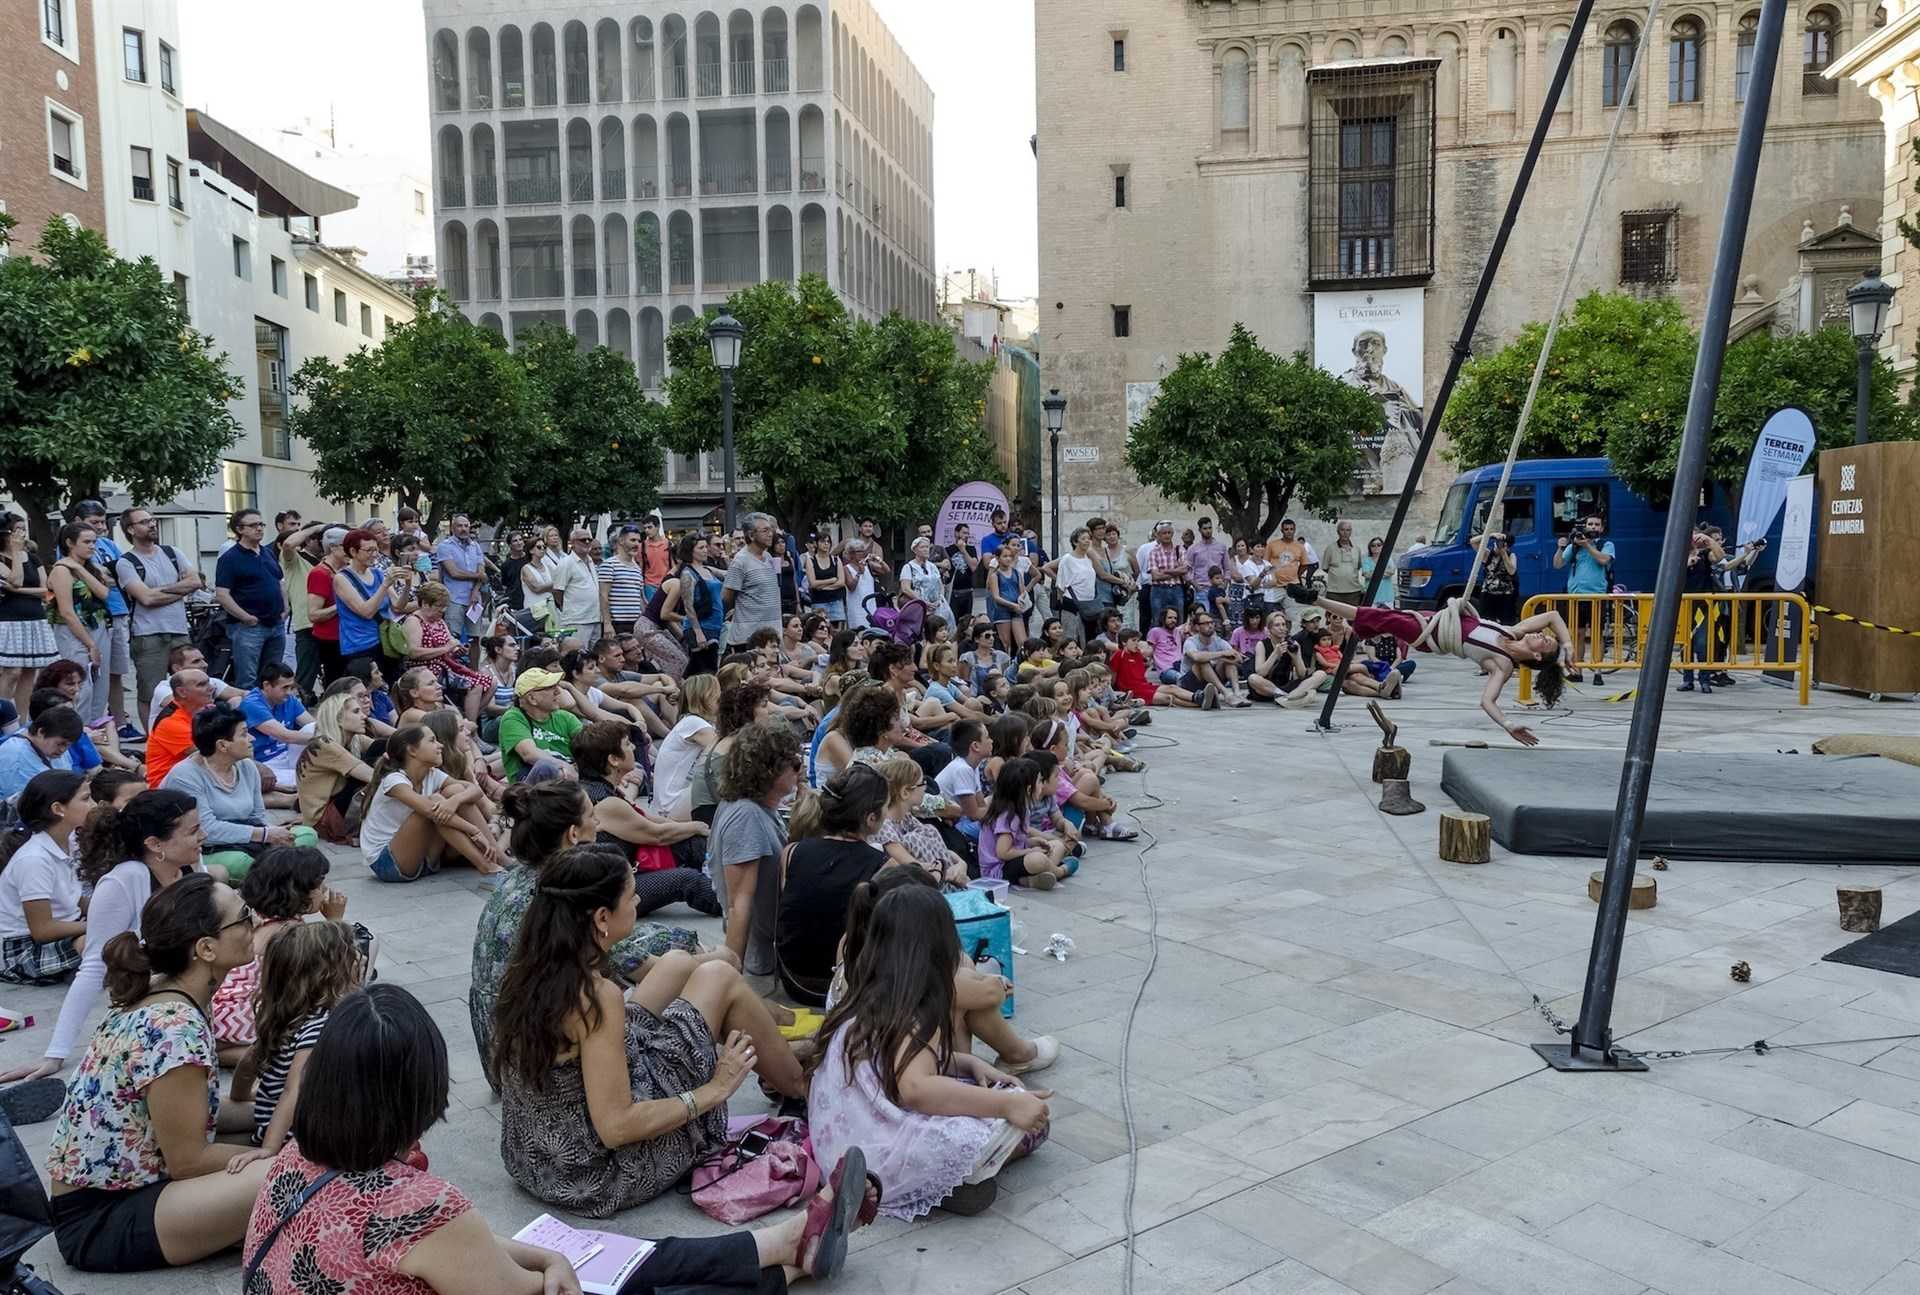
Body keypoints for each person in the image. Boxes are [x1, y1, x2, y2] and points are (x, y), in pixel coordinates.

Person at [256, 981, 865, 1294]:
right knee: (632, 1283)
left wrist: (548, 1255)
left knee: (606, 1257)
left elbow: (442, 1250)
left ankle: (785, 1247)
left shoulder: (292, 1165)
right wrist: (550, 1268)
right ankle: (785, 1262)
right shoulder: (417, 1207)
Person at [492, 845, 807, 1215]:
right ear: (602, 917)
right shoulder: (594, 996)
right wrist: (715, 1089)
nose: (640, 897)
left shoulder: (532, 966)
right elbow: (616, 1127)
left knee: (676, 965)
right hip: (595, 1175)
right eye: (631, 893)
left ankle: (785, 1056)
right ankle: (801, 1086)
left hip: (533, 1155)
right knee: (719, 975)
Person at [44, 873, 272, 1273]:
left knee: (282, 1129)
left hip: (130, 1187)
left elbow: (200, 1116)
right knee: (295, 1169)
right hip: (103, 1218)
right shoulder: (174, 1026)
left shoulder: (167, 993)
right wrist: (281, 1152)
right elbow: (188, 1160)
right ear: (205, 948)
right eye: (244, 917)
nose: (253, 923)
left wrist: (287, 1110)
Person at [808, 884, 1050, 1219]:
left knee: (995, 1099)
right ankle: (952, 1181)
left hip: (840, 1147)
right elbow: (916, 1089)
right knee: (1031, 1122)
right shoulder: (919, 1008)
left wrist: (964, 1062)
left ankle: (950, 1177)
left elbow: (889, 1066)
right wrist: (1007, 1105)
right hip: (885, 1154)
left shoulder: (870, 994)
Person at [1288, 585, 1570, 744]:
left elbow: (1487, 701)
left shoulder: (1503, 665)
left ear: (1536, 657)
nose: (1541, 635)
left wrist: (1508, 725)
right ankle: (1337, 613)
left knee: (1381, 618)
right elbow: (1554, 616)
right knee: (1383, 617)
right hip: (1433, 620)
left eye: (1545, 643)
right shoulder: (1514, 631)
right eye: (1545, 637)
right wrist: (1566, 646)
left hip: (1430, 635)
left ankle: (1318, 600)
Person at [208, 844, 355, 1063]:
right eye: (318, 883)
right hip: (244, 1012)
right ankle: (259, 1054)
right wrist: (336, 921)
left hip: (220, 1008)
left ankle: (221, 1051)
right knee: (357, 963)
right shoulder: (288, 931)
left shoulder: (255, 913)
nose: (325, 889)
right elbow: (333, 964)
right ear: (296, 890)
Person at [573, 720, 720, 916]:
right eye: (627, 744)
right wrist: (695, 826)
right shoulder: (605, 802)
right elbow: (657, 834)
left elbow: (650, 819)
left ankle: (739, 878)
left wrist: (697, 830)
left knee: (693, 842)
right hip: (609, 892)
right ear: (613, 760)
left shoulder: (599, 788)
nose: (633, 747)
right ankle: (737, 907)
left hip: (628, 868)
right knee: (687, 880)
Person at [774, 765, 890, 1005]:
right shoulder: (884, 867)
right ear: (870, 818)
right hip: (844, 987)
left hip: (793, 979)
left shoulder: (792, 852)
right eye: (885, 807)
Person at [161, 703, 319, 878]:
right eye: (244, 734)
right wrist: (265, 834)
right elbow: (206, 830)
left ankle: (277, 872)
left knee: (305, 835)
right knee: (241, 863)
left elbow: (257, 817)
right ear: (222, 745)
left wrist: (272, 834)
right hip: (203, 847)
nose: (252, 738)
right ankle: (281, 873)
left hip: (249, 840)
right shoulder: (185, 776)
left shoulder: (246, 766)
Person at [359, 723, 503, 881]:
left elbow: (475, 790)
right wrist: (474, 831)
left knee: (454, 791)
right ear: (412, 750)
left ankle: (500, 858)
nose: (440, 745)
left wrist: (455, 800)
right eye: (432, 740)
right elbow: (431, 810)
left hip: (425, 858)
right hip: (389, 864)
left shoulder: (432, 773)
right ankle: (486, 865)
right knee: (435, 802)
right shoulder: (394, 780)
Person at [0, 770, 90, 984]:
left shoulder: (69, 841)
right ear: (58, 809)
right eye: (86, 799)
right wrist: (98, 924)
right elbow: (42, 930)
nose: (93, 805)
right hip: (22, 950)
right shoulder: (34, 859)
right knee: (101, 942)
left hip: (64, 932)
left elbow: (73, 897)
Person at [113, 507, 203, 720]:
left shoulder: (173, 553)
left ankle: (189, 733)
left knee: (189, 687)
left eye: (152, 520)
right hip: (148, 635)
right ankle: (153, 741)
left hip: (180, 631)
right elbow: (146, 599)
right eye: (144, 522)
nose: (152, 524)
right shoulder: (126, 562)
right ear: (131, 530)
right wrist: (180, 589)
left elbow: (196, 581)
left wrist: (161, 590)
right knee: (150, 692)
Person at [46, 521, 113, 726]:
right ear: (70, 542)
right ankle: (77, 731)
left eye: (94, 542)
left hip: (99, 626)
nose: (92, 546)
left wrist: (79, 568)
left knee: (101, 686)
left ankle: (94, 731)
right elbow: (67, 611)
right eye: (86, 542)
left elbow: (104, 593)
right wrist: (90, 645)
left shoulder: (88, 568)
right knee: (81, 686)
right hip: (73, 631)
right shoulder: (61, 570)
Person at [214, 509, 287, 689]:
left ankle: (269, 713)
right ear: (240, 530)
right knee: (248, 678)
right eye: (253, 525)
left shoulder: (267, 553)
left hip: (275, 623)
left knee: (273, 676)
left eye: (261, 524)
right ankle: (248, 715)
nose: (259, 529)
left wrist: (286, 607)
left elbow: (279, 581)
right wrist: (245, 617)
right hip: (249, 627)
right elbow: (222, 594)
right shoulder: (230, 558)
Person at [401, 581, 494, 721]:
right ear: (425, 603)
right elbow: (413, 652)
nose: (443, 610)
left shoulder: (439, 621)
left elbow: (450, 645)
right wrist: (445, 649)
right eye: (439, 606)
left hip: (446, 665)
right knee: (476, 685)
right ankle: (469, 726)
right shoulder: (414, 621)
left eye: (445, 606)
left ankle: (466, 721)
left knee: (491, 684)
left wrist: (457, 650)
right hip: (426, 670)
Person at [0, 513, 57, 719]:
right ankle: (3, 718)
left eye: (23, 529)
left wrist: (20, 591)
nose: (21, 534)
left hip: (34, 618)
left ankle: (22, 720)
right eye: (16, 530)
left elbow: (47, 590)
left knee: (28, 672)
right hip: (9, 620)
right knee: (11, 670)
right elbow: (15, 579)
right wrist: (15, 553)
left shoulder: (33, 557)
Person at [1553, 514, 1614, 683]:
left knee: (1597, 635)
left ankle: (1598, 671)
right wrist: (1561, 547)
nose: (1593, 527)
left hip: (1597, 596)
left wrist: (1587, 545)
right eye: (1590, 524)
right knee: (1578, 634)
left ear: (1601, 528)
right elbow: (1557, 564)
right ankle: (1577, 671)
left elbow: (1604, 560)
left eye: (1597, 524)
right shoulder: (1575, 546)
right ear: (1584, 526)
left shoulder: (1605, 544)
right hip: (1576, 596)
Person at [498, 666, 585, 782]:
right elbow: (529, 754)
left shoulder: (564, 717)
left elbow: (589, 746)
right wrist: (566, 767)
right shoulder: (513, 718)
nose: (558, 691)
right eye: (550, 687)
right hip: (532, 790)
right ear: (532, 698)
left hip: (567, 781)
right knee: (545, 768)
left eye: (557, 686)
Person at [239, 661, 315, 788]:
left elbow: (312, 724)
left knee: (313, 728)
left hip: (286, 754)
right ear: (267, 685)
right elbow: (286, 736)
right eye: (285, 687)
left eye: (291, 687)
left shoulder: (288, 699)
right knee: (310, 782)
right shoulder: (252, 704)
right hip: (263, 763)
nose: (290, 692)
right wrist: (324, 738)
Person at [653, 673, 719, 818]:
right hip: (671, 805)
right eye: (716, 692)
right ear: (702, 697)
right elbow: (725, 753)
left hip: (676, 801)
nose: (721, 698)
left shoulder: (694, 722)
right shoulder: (693, 723)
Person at [724, 512, 786, 647]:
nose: (770, 534)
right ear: (751, 535)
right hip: (749, 638)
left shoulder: (769, 557)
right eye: (765, 530)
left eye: (771, 530)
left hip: (772, 635)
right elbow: (727, 597)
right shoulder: (740, 561)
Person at [299, 526, 346, 697]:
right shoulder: (320, 573)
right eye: (346, 545)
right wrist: (343, 605)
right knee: (336, 685)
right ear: (333, 547)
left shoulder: (342, 571)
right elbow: (314, 614)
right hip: (331, 638)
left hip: (345, 635)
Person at [0, 702, 81, 801]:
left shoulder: (51, 744)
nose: (63, 750)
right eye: (61, 744)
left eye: (68, 745)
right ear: (41, 732)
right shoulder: (16, 759)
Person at [1679, 527, 1725, 695]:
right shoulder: (1676, 554)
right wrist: (1687, 563)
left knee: (1702, 643)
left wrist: (1709, 540)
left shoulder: (1705, 555)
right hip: (1683, 604)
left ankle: (1704, 680)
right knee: (1686, 644)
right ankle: (1687, 679)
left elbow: (1720, 556)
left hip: (1704, 605)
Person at [432, 513, 489, 643]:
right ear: (453, 528)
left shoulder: (475, 546)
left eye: (466, 526)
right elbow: (454, 572)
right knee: (452, 637)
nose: (463, 529)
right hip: (454, 598)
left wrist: (475, 591)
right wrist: (478, 576)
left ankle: (473, 665)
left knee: (475, 639)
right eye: (459, 526)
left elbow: (481, 570)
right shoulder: (445, 546)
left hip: (474, 599)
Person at [1180, 610, 1248, 708]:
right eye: (1206, 623)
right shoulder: (1190, 642)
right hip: (1190, 682)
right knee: (1203, 662)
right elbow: (1196, 656)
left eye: (1212, 622)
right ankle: (1226, 694)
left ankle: (1237, 693)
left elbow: (1237, 659)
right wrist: (1222, 654)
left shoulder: (1219, 642)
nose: (1210, 625)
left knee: (1228, 663)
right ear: (1197, 627)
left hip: (1211, 680)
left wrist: (1231, 658)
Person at [552, 527, 605, 647]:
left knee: (593, 657)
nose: (587, 542)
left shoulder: (591, 560)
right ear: (573, 543)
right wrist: (569, 608)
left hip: (595, 618)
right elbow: (557, 591)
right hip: (576, 620)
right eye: (582, 540)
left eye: (589, 539)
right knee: (577, 656)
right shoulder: (566, 562)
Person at [597, 524, 650, 643]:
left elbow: (640, 598)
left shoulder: (637, 567)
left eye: (638, 541)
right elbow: (603, 596)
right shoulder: (609, 564)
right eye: (632, 540)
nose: (637, 544)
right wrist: (607, 624)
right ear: (621, 541)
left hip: (635, 623)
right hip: (617, 623)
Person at [1322, 519, 1366, 602]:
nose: (1345, 533)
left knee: (1352, 615)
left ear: (1351, 532)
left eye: (1348, 530)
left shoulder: (1357, 549)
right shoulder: (1330, 548)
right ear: (1338, 532)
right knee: (1333, 615)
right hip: (1334, 592)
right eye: (1342, 530)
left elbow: (1358, 567)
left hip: (1354, 592)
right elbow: (1325, 568)